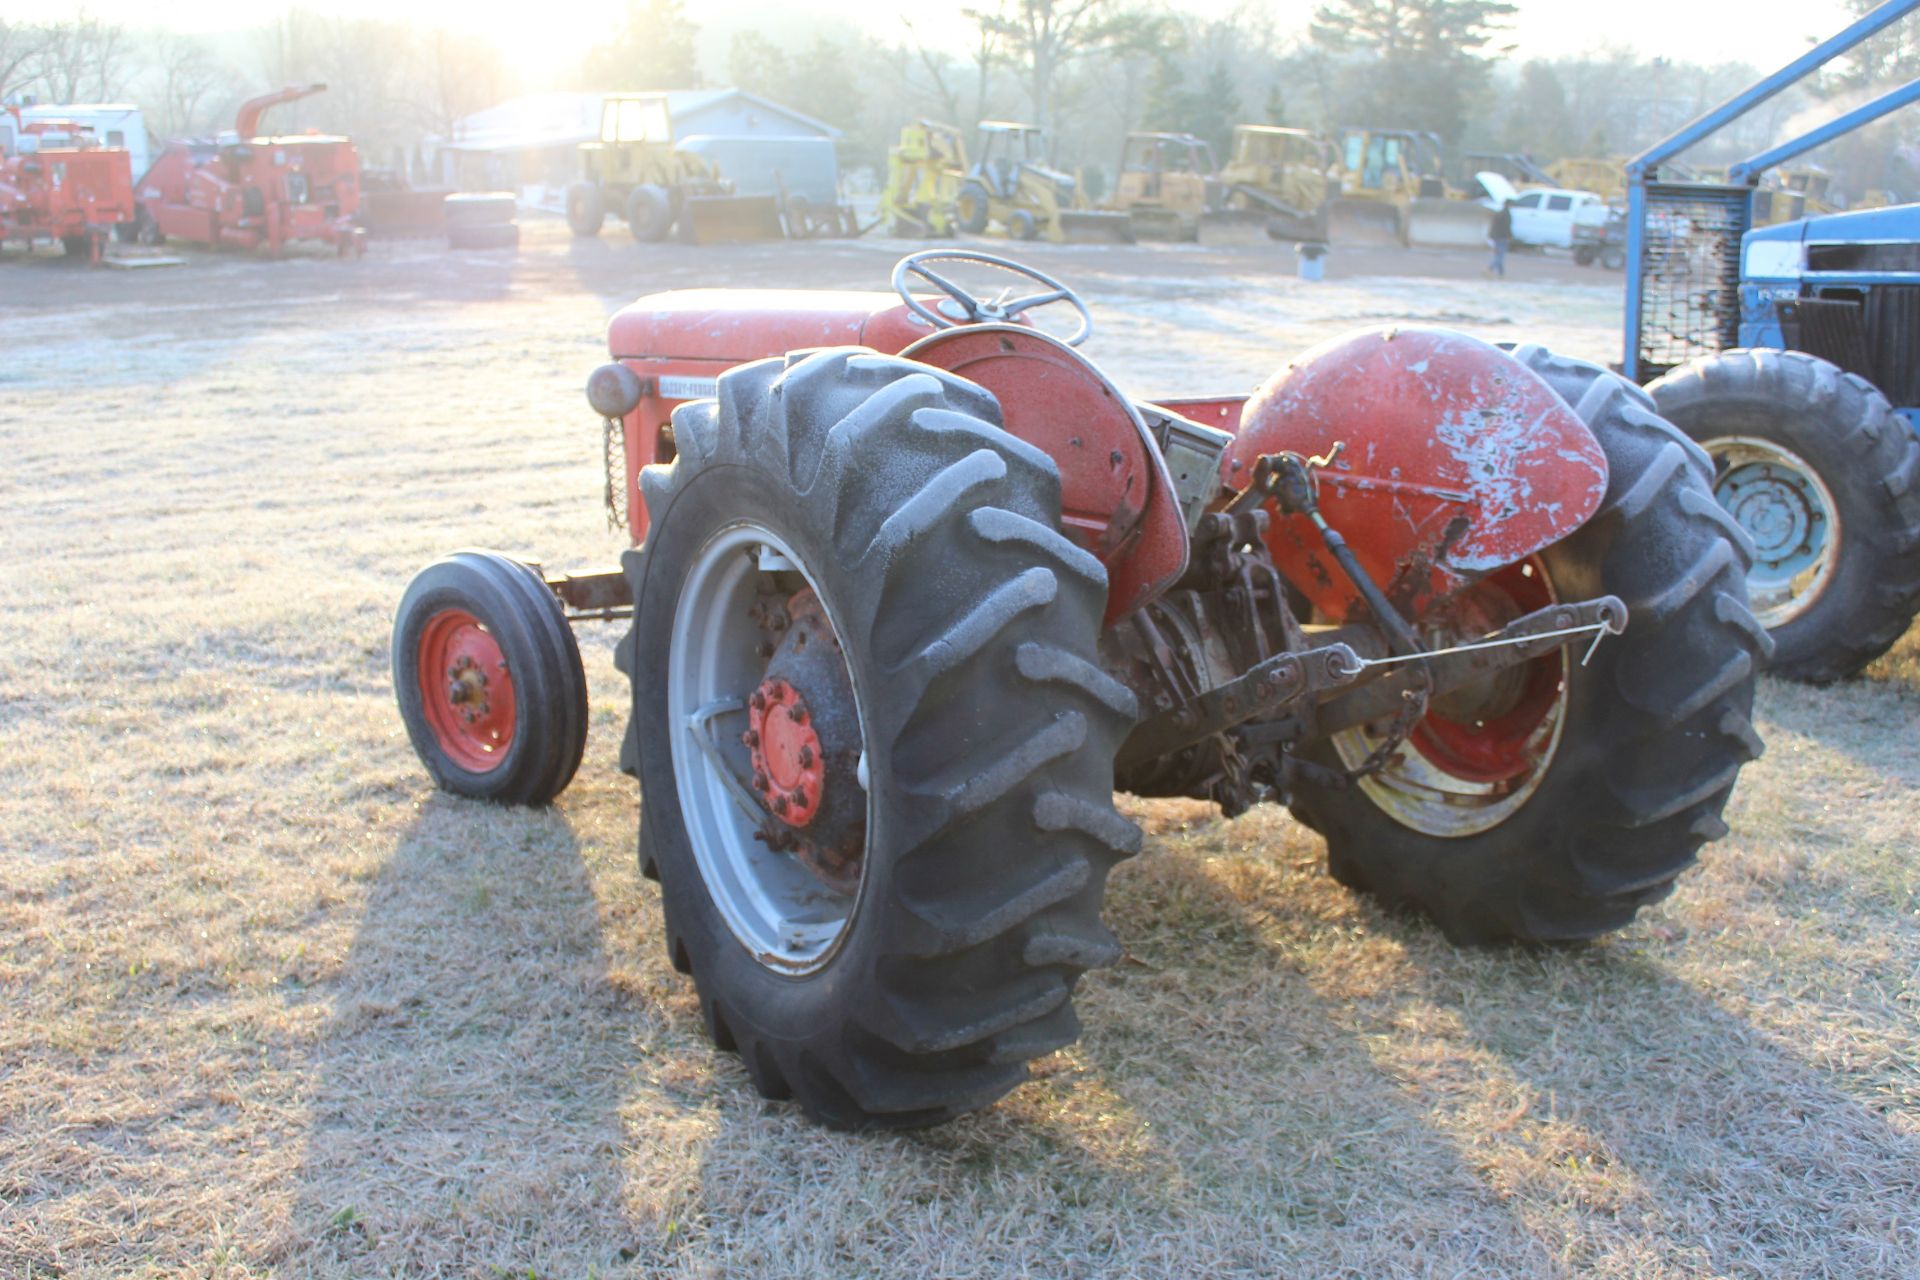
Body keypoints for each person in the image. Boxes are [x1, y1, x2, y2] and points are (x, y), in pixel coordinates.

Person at [1487, 199, 1514, 278]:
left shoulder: (1498, 214)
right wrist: (1510, 236)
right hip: (1503, 237)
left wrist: (1491, 235)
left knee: (1499, 255)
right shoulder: (1507, 215)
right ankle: (1490, 269)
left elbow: (1493, 226)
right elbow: (1507, 228)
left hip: (1496, 237)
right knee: (1500, 256)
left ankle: (1501, 273)